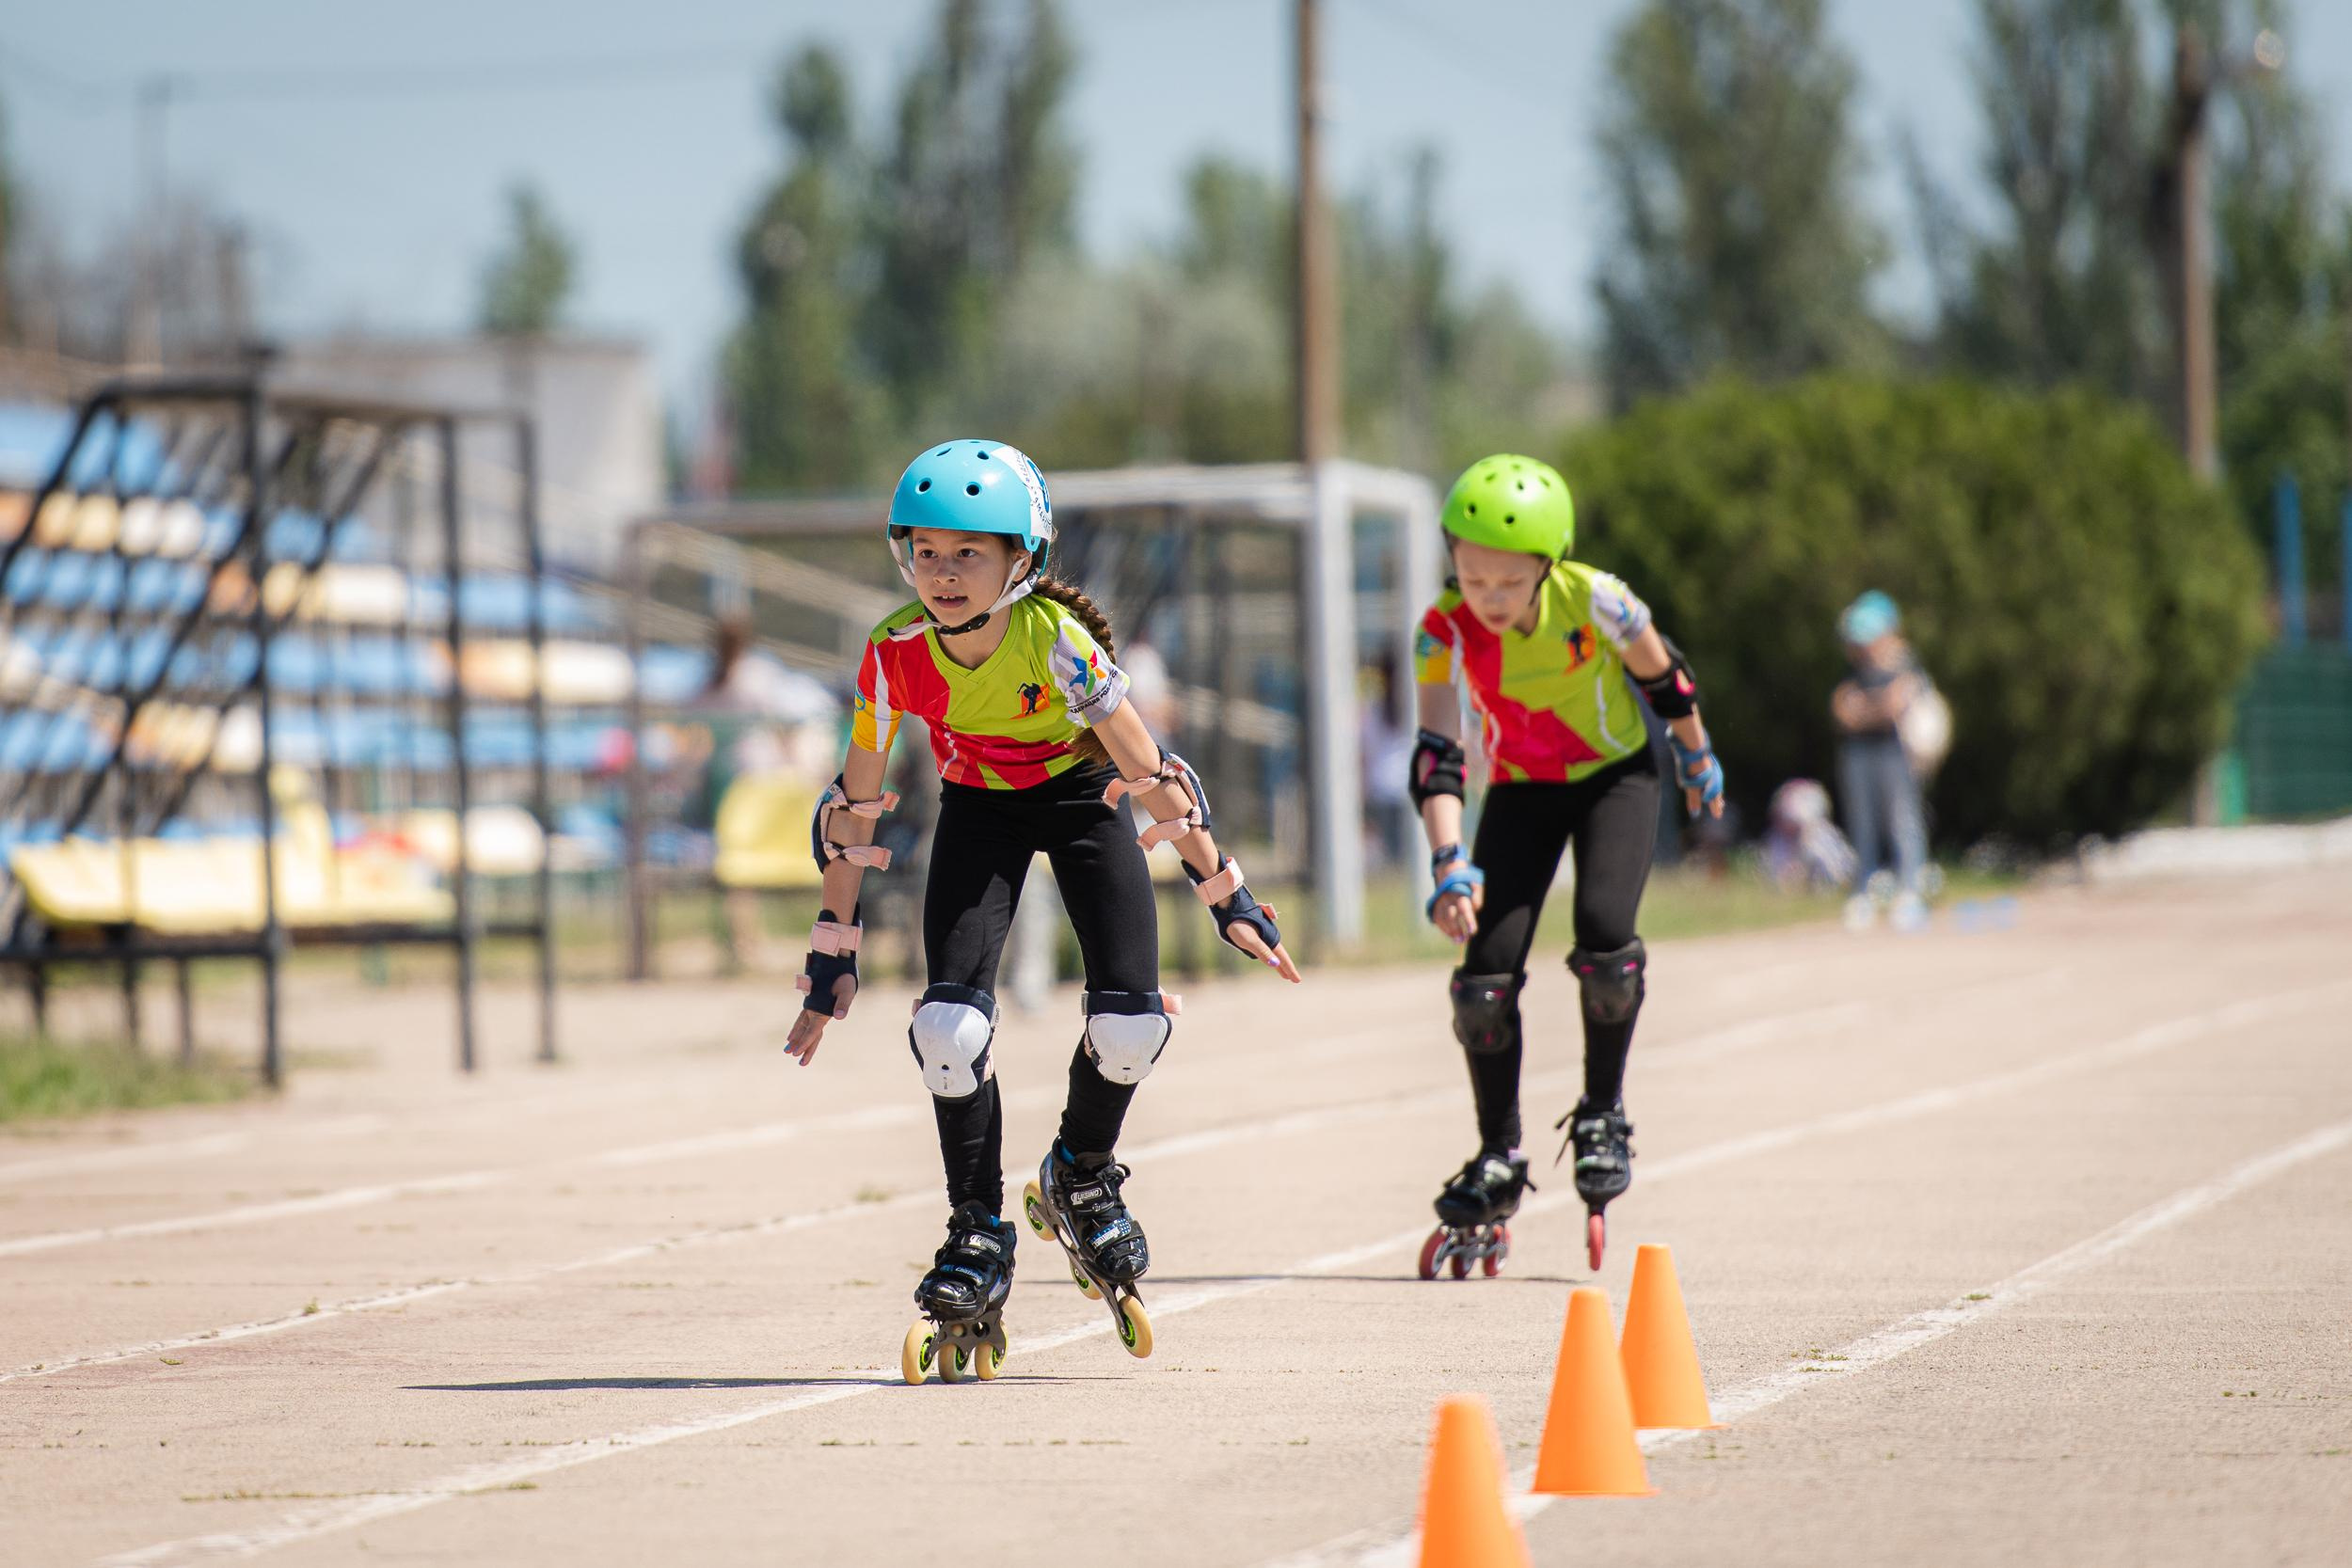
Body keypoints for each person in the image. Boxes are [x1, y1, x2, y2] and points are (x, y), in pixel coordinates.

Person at [783, 439, 1300, 1382]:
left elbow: (1151, 773)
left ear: (1022, 559)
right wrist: (833, 948)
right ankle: (977, 1228)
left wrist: (1223, 889)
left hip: (1081, 796)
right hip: (977, 805)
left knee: (1134, 1025)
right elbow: (854, 811)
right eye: (928, 551)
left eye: (968, 553)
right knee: (946, 1025)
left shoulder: (1058, 643)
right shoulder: (892, 655)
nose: (943, 573)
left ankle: (1081, 1173)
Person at [1409, 454, 1724, 1275]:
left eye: (1507, 583)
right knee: (1482, 979)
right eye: (1471, 575)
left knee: (1606, 939)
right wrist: (1449, 861)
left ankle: (1602, 1113)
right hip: (1520, 789)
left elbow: (1670, 679)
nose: (1487, 596)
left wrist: (1696, 758)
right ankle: (1498, 1154)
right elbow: (1438, 754)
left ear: (1548, 567)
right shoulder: (1440, 630)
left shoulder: (1600, 598)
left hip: (1615, 777)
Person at [1830, 591, 1935, 932]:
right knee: (1862, 822)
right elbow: (1843, 711)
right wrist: (1875, 708)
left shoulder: (1907, 665)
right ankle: (1864, 890)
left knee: (1902, 820)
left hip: (1895, 752)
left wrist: (1867, 708)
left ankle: (1909, 890)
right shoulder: (1852, 671)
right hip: (1858, 753)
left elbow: (1893, 705)